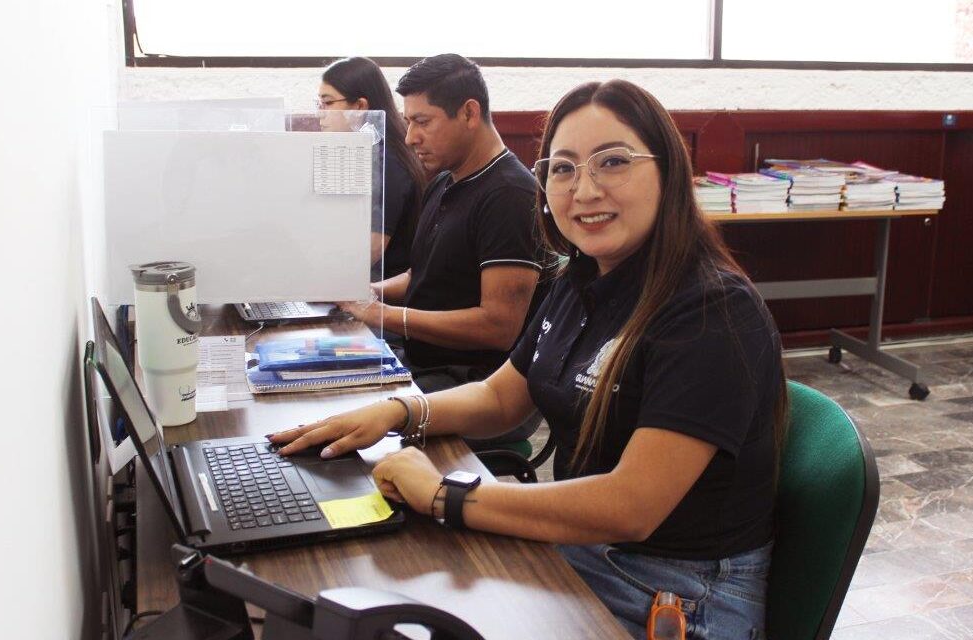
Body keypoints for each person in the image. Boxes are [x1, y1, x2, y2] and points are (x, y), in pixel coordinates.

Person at [275, 79, 788, 640]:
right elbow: (501, 396)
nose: (583, 190)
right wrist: (398, 411)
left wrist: (445, 495)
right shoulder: (583, 278)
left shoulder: (711, 312)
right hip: (591, 549)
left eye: (612, 162)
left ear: (668, 172)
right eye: (563, 168)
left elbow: (631, 506)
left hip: (676, 592)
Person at [338, 54, 544, 442]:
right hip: (425, 364)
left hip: (475, 384)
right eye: (408, 122)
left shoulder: (510, 196)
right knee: (323, 390)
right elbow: (424, 274)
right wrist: (367, 294)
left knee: (349, 425)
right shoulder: (444, 180)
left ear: (469, 113)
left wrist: (383, 313)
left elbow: (498, 326)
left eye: (422, 122)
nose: (411, 136)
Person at [317, 56, 426, 280]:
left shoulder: (389, 160)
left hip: (385, 291)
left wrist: (315, 279)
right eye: (318, 103)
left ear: (359, 107)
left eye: (328, 103)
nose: (320, 113)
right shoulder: (356, 153)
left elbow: (372, 249)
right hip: (358, 281)